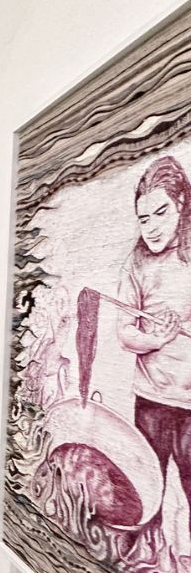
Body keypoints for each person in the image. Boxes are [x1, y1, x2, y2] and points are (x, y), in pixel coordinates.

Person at [117, 155, 191, 527]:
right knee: (146, 495)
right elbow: (125, 332)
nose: (152, 229)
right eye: (144, 219)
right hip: (151, 401)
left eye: (160, 213)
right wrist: (153, 338)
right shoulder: (137, 261)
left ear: (181, 204)